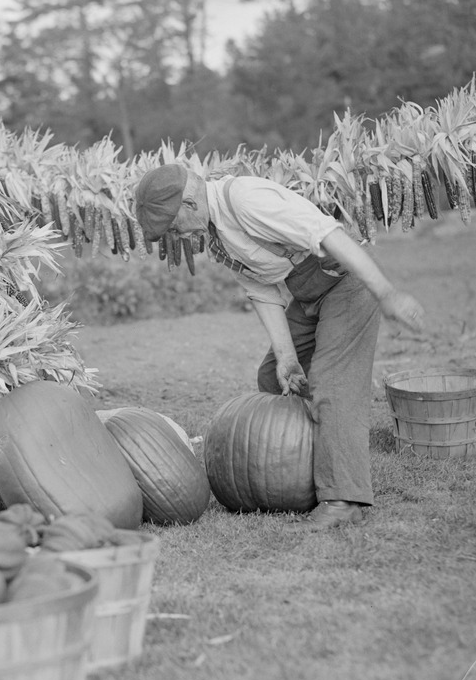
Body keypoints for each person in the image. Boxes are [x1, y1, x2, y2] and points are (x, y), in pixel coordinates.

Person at [134, 163, 427, 530]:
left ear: (190, 202)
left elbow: (329, 234)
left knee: (332, 384)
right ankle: (303, 479)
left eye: (174, 226)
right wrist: (287, 358)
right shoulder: (215, 233)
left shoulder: (244, 200)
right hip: (308, 295)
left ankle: (344, 498)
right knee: (274, 380)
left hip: (346, 283)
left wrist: (386, 292)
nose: (177, 236)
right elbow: (262, 290)